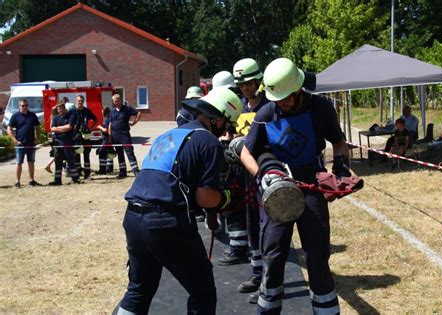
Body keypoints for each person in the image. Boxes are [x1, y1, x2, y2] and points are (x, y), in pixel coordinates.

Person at [116, 87, 243, 315]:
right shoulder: (208, 142)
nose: (226, 131)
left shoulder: (167, 135)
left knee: (139, 290)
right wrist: (227, 198)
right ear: (218, 118)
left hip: (133, 217)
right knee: (202, 292)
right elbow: (205, 198)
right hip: (166, 222)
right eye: (227, 124)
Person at [240, 58, 349, 314]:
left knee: (317, 254)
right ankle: (268, 309)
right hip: (278, 189)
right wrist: (262, 178)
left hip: (311, 186)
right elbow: (246, 153)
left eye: (286, 98)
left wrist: (341, 168)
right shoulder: (267, 113)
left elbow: (339, 142)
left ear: (298, 88)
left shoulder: (320, 108)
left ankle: (325, 310)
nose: (282, 104)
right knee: (274, 253)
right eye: (277, 98)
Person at [228, 58, 268, 295]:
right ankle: (256, 272)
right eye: (241, 84)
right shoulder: (239, 106)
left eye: (249, 83)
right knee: (251, 223)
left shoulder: (269, 105)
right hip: (243, 176)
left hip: (265, 172)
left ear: (259, 81)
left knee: (268, 228)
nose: (245, 88)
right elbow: (232, 132)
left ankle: (270, 277)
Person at [7, 98, 41, 187]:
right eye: (23, 105)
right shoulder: (15, 116)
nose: (25, 107)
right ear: (19, 106)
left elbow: (37, 127)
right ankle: (17, 181)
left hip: (31, 143)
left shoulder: (32, 115)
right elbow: (9, 129)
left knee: (31, 162)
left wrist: (37, 138)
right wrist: (15, 140)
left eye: (26, 105)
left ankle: (32, 180)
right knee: (19, 163)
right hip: (20, 144)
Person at [108, 94, 141, 178]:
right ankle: (122, 172)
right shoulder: (112, 111)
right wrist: (109, 136)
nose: (115, 103)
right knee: (120, 154)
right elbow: (110, 124)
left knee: (130, 153)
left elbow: (138, 113)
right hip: (115, 136)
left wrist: (134, 122)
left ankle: (136, 171)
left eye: (117, 101)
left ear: (120, 100)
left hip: (124, 135)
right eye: (114, 101)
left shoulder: (127, 109)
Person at [49, 101, 80, 185]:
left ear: (64, 109)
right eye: (59, 109)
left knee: (71, 161)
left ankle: (75, 179)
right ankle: (57, 180)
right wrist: (63, 129)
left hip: (68, 142)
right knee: (58, 162)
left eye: (61, 109)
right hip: (57, 143)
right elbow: (52, 129)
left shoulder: (71, 116)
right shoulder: (55, 118)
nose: (60, 110)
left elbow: (69, 127)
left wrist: (58, 128)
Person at [71, 95, 98, 179]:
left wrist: (90, 128)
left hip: (86, 136)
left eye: (81, 101)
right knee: (76, 155)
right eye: (79, 101)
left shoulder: (87, 111)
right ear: (76, 101)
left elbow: (95, 120)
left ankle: (87, 174)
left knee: (86, 155)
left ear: (83, 101)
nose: (80, 102)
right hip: (75, 136)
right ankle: (78, 173)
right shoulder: (72, 111)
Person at [97, 107, 115, 174]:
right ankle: (109, 169)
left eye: (102, 112)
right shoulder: (109, 119)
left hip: (106, 139)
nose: (102, 113)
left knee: (102, 152)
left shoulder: (107, 120)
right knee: (110, 153)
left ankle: (102, 170)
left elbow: (106, 130)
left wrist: (99, 127)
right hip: (108, 139)